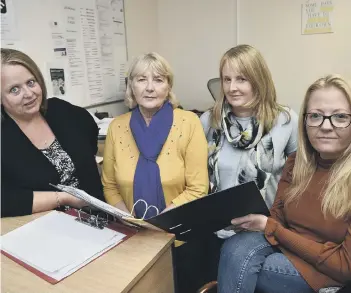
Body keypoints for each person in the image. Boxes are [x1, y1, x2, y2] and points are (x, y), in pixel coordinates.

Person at [217, 74, 351, 293]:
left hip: (327, 271)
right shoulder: (296, 162)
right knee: (233, 247)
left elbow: (345, 266)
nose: (326, 126)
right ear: (305, 121)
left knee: (250, 267)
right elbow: (277, 219)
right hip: (286, 249)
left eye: (340, 117)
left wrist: (273, 230)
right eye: (316, 116)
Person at [101, 52, 209, 293]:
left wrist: (159, 224)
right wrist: (131, 222)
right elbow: (109, 186)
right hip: (132, 236)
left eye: (158, 80)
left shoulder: (189, 123)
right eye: (141, 79)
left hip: (181, 237)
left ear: (168, 85)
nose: (150, 88)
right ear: (131, 86)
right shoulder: (117, 127)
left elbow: (198, 187)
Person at [1, 48, 104, 217]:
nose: (28, 94)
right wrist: (63, 198)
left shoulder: (63, 111)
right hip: (45, 228)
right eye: (14, 89)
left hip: (101, 217)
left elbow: (90, 137)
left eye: (31, 82)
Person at [201, 44, 298, 211]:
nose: (232, 88)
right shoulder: (210, 120)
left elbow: (300, 178)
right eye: (227, 79)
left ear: (259, 80)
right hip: (216, 223)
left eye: (241, 79)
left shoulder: (285, 120)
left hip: (264, 226)